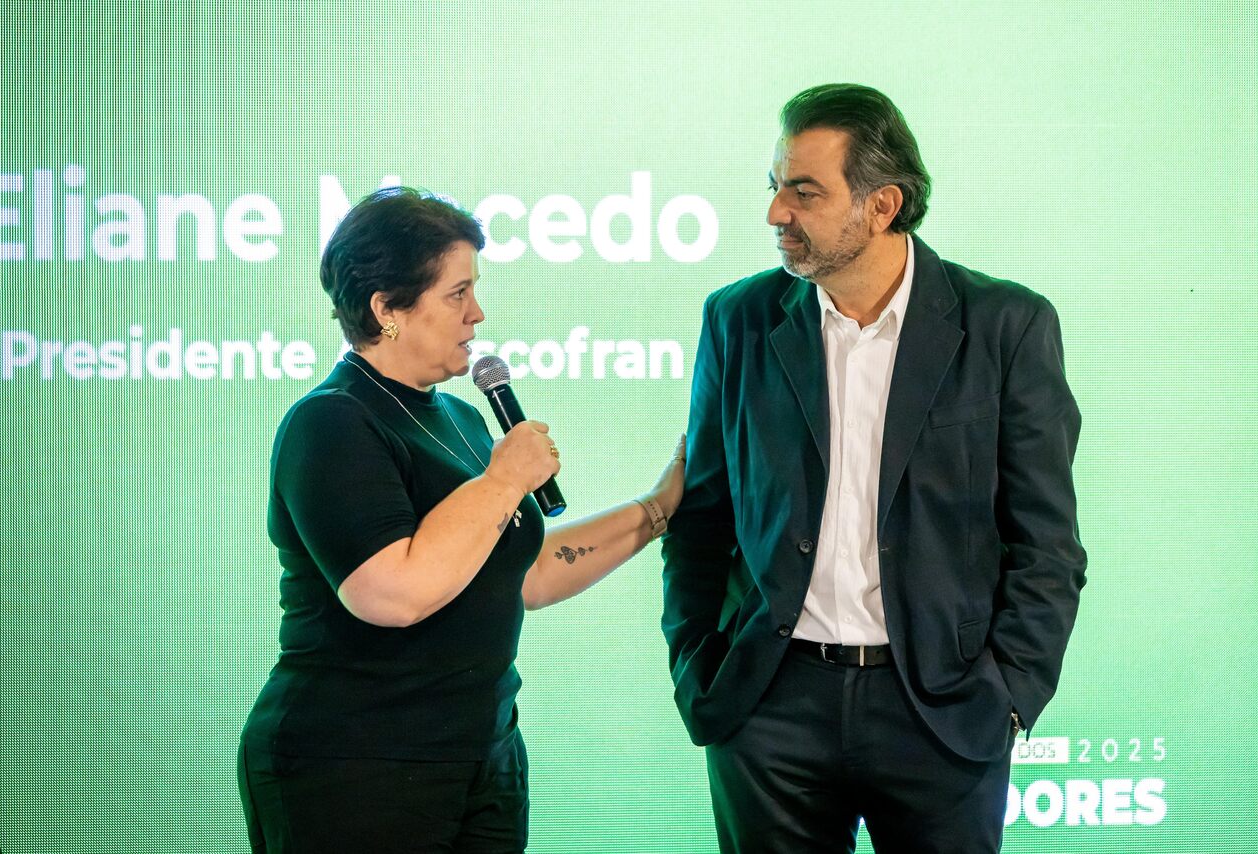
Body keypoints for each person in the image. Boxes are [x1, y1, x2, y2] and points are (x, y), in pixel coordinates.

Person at [661, 83, 1087, 853]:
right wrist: (698, 664)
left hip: (942, 710)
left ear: (882, 205)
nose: (776, 213)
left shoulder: (1006, 325)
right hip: (768, 708)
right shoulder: (738, 318)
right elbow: (703, 516)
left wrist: (1009, 695)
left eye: (804, 192)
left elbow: (1046, 542)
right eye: (775, 186)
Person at [238, 186, 684, 853]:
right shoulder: (332, 422)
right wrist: (504, 480)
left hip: (482, 757)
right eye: (457, 294)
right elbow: (393, 593)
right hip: (357, 764)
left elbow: (525, 574)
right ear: (386, 309)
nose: (478, 313)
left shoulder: (462, 418)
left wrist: (657, 509)